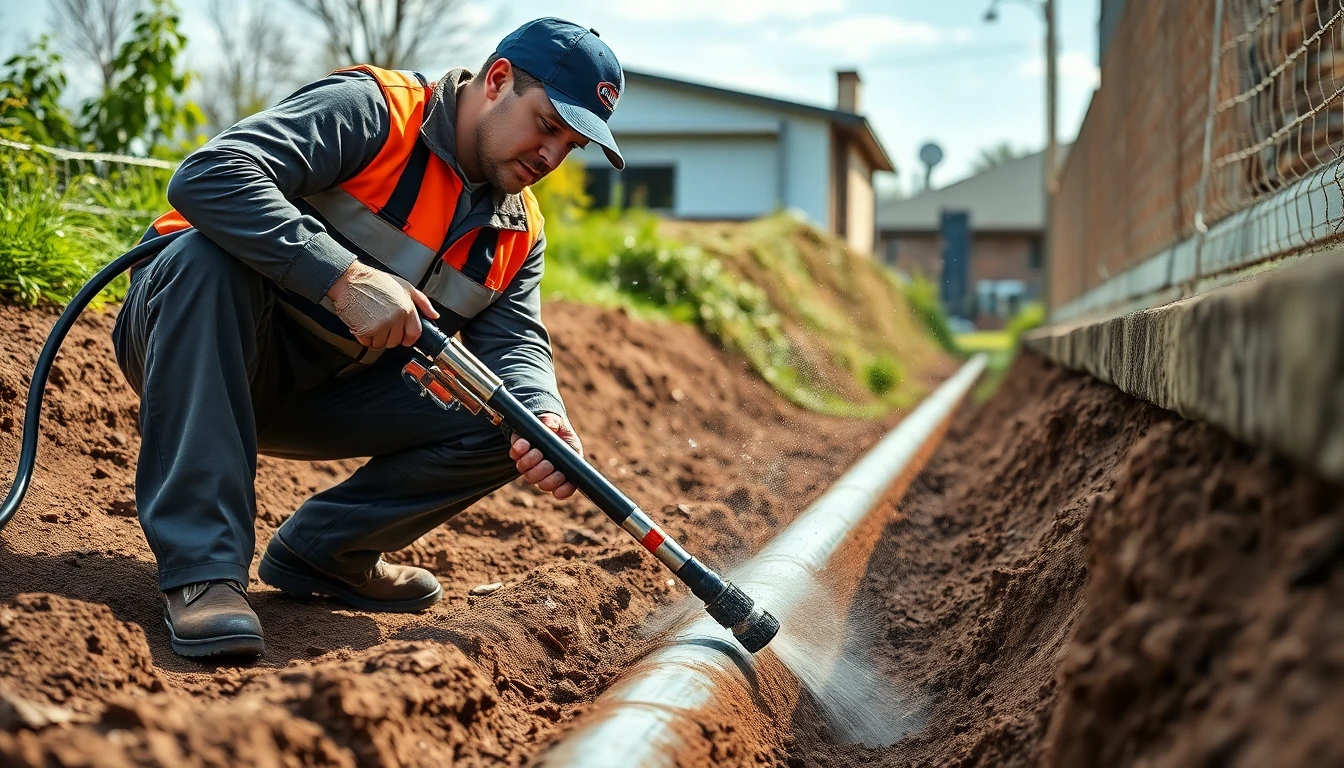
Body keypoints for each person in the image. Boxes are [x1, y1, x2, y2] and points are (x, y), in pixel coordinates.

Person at [110, 17, 626, 659]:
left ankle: (326, 553)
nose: (551, 155)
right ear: (496, 81)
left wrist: (543, 411)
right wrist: (342, 277)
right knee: (203, 258)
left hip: (324, 392)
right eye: (548, 125)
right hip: (194, 340)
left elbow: (517, 340)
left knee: (511, 417)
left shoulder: (520, 231)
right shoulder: (374, 113)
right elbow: (211, 175)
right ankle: (202, 573)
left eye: (571, 145)